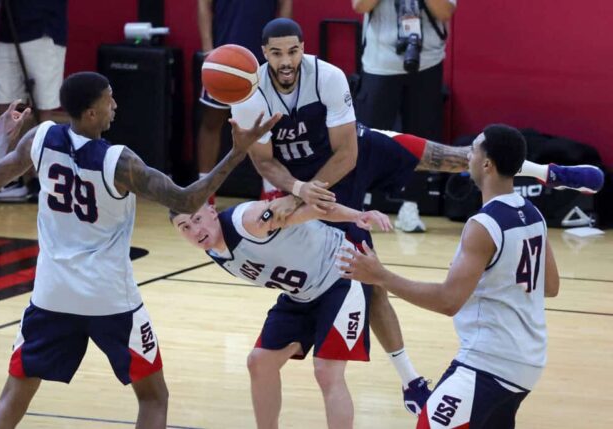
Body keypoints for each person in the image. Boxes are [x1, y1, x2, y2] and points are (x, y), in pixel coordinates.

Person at [230, 17, 602, 417]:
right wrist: (300, 191)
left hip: (352, 155)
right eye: (277, 53)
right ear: (264, 53)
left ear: (303, 47)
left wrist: (307, 189)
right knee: (368, 282)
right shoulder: (249, 92)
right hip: (313, 186)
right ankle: (411, 382)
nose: (286, 61)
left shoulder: (327, 77)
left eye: (293, 51)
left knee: (456, 157)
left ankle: (549, 173)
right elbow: (264, 163)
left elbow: (347, 154)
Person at [0, 72, 280, 429]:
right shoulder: (119, 162)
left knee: (14, 396)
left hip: (51, 294)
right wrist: (236, 153)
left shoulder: (39, 137)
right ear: (91, 113)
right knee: (153, 398)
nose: (115, 105)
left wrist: (1, 137)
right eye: (109, 100)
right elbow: (186, 199)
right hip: (109, 298)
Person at [339, 124, 560, 429]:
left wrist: (381, 276)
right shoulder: (534, 213)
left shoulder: (483, 225)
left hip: (488, 363)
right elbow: (550, 287)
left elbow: (447, 302)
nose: (467, 156)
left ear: (487, 164)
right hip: (528, 363)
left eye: (474, 150)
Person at [170, 198, 393, 429]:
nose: (195, 231)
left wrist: (356, 215)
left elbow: (309, 209)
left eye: (197, 220)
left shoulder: (248, 221)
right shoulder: (214, 249)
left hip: (343, 273)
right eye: (185, 227)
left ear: (212, 211)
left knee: (326, 371)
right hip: (303, 294)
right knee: (259, 362)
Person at [352, 0, 456, 232]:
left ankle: (411, 206)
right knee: (367, 138)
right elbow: (359, 5)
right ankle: (355, 203)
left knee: (420, 137)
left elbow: (445, 11)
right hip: (380, 61)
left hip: (426, 61)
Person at [196, 0, 292, 201]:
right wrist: (208, 50)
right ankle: (205, 192)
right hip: (223, 58)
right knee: (212, 119)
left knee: (267, 124)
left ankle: (271, 189)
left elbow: (285, 6)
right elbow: (204, 5)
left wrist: (281, 49)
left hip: (263, 58)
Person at [0, 0, 69, 202]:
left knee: (41, 107)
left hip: (41, 27)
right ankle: (11, 178)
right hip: (5, 30)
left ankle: (37, 178)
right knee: (7, 103)